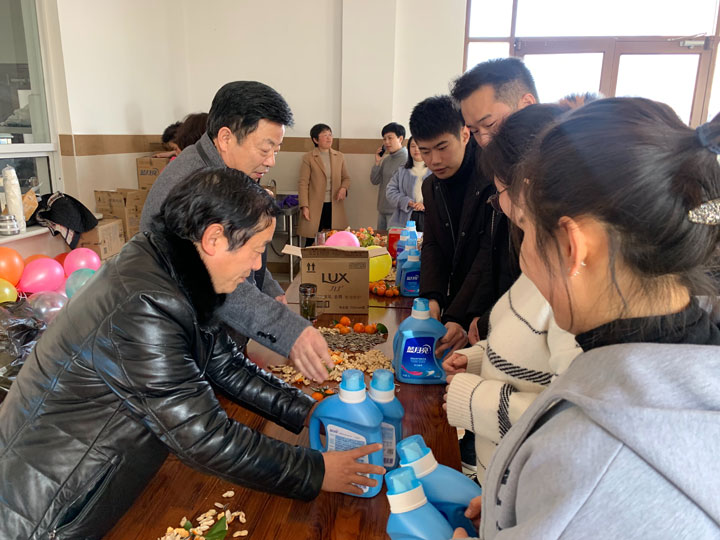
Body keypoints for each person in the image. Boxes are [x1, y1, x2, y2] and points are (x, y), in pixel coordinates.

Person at [0, 168, 385, 540]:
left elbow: (225, 364)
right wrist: (317, 471)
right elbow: (204, 435)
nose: (257, 266)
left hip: (90, 483)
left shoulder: (175, 266)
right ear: (214, 238)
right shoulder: (144, 304)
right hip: (43, 510)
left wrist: (307, 410)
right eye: (255, 250)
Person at [455, 98, 720, 539]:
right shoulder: (691, 359)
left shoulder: (587, 460)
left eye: (528, 231)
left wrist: (555, 507)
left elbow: (590, 495)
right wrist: (522, 504)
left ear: (572, 247)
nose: (524, 252)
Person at [140, 81, 333, 383]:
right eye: (265, 149)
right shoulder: (195, 185)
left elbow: (244, 251)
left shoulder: (226, 171)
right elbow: (216, 279)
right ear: (226, 137)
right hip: (190, 351)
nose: (271, 161)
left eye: (276, 150)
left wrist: (269, 290)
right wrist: (288, 331)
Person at [442, 104, 581, 484]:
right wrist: (477, 359)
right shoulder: (539, 264)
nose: (500, 206)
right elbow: (525, 342)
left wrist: (473, 397)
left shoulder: (574, 294)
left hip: (528, 489)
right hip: (501, 486)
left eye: (499, 193)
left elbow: (570, 424)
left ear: (528, 191)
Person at [447, 57, 539, 476]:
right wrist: (483, 344)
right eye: (474, 130)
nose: (483, 139)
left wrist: (471, 396)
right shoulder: (504, 174)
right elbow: (493, 260)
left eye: (489, 124)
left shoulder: (564, 278)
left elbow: (565, 405)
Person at [408, 96, 490, 357]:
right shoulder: (431, 186)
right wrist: (431, 297)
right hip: (457, 303)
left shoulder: (491, 178)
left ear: (464, 135)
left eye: (442, 147)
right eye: (425, 151)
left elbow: (488, 253)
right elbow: (433, 244)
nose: (434, 160)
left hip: (486, 307)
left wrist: (458, 314)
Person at [297, 123, 351, 245]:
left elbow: (346, 178)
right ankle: (310, 258)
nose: (329, 138)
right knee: (312, 240)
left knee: (334, 239)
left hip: (335, 204)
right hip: (314, 206)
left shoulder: (339, 156)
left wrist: (343, 188)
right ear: (315, 140)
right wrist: (304, 206)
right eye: (325, 135)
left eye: (330, 135)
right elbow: (303, 183)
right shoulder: (308, 158)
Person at [386, 136, 431, 230]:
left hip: (429, 218)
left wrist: (426, 205)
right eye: (413, 146)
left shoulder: (435, 170)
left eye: (420, 146)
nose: (416, 149)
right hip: (404, 218)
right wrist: (407, 202)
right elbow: (390, 191)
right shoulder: (402, 170)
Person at [370, 122, 408, 229]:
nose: (386, 142)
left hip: (398, 211)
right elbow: (374, 180)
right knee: (380, 239)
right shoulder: (386, 160)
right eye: (384, 139)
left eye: (390, 138)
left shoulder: (407, 159)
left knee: (394, 240)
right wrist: (377, 162)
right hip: (382, 209)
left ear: (400, 139)